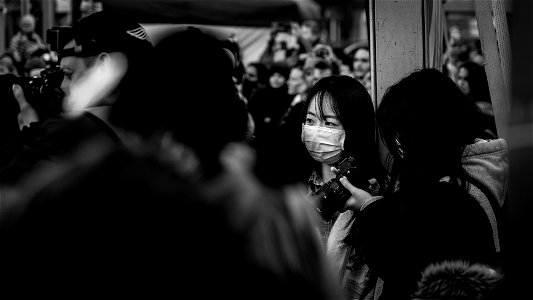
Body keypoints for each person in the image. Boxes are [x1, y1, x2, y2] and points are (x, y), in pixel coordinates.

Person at [338, 68, 505, 299]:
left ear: (427, 131)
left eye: (401, 134)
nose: (397, 146)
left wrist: (371, 208)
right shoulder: (474, 172)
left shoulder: (453, 197)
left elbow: (402, 261)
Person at [0, 11, 153, 185]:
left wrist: (30, 135)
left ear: (103, 66)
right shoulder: (153, 139)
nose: (63, 86)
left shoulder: (70, 136)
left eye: (69, 75)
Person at [300, 75, 386, 299]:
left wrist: (370, 207)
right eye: (310, 120)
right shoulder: (293, 184)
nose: (316, 130)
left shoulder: (372, 192)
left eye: (329, 123)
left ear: (354, 127)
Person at [457, 61, 497, 138]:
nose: (461, 83)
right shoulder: (462, 103)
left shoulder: (482, 105)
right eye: (459, 78)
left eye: (466, 79)